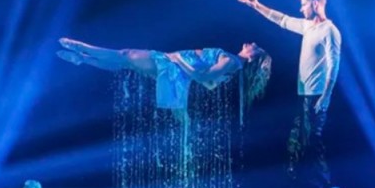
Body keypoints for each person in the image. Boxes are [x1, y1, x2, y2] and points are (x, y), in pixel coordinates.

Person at [236, 0, 341, 188]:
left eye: (304, 4)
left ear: (315, 3)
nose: (301, 9)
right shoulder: (308, 26)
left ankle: (322, 185)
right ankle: (300, 180)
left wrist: (326, 95)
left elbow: (333, 64)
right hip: (303, 94)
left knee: (313, 138)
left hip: (317, 95)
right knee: (297, 138)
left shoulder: (329, 31)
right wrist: (256, 5)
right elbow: (282, 20)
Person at [57, 38, 272, 111]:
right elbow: (209, 82)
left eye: (256, 47)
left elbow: (203, 77)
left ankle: (82, 48)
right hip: (171, 67)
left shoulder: (232, 61)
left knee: (126, 55)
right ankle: (82, 58)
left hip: (170, 65)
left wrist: (178, 60)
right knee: (125, 62)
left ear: (252, 57)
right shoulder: (233, 64)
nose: (252, 43)